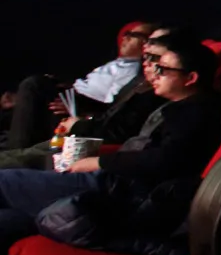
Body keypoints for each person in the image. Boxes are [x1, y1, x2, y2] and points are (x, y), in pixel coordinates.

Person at [0, 36, 221, 248]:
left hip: (117, 192)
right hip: (115, 180)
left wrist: (98, 162)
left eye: (162, 69)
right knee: (9, 219)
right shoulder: (177, 106)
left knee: (3, 180)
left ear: (191, 78)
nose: (153, 73)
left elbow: (165, 160)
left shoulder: (196, 113)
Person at [0, 27, 173, 169]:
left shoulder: (155, 95)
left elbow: (121, 132)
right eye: (148, 48)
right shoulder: (140, 83)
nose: (147, 57)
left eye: (153, 53)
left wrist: (79, 122)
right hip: (88, 128)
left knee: (34, 86)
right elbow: (113, 112)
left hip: (90, 143)